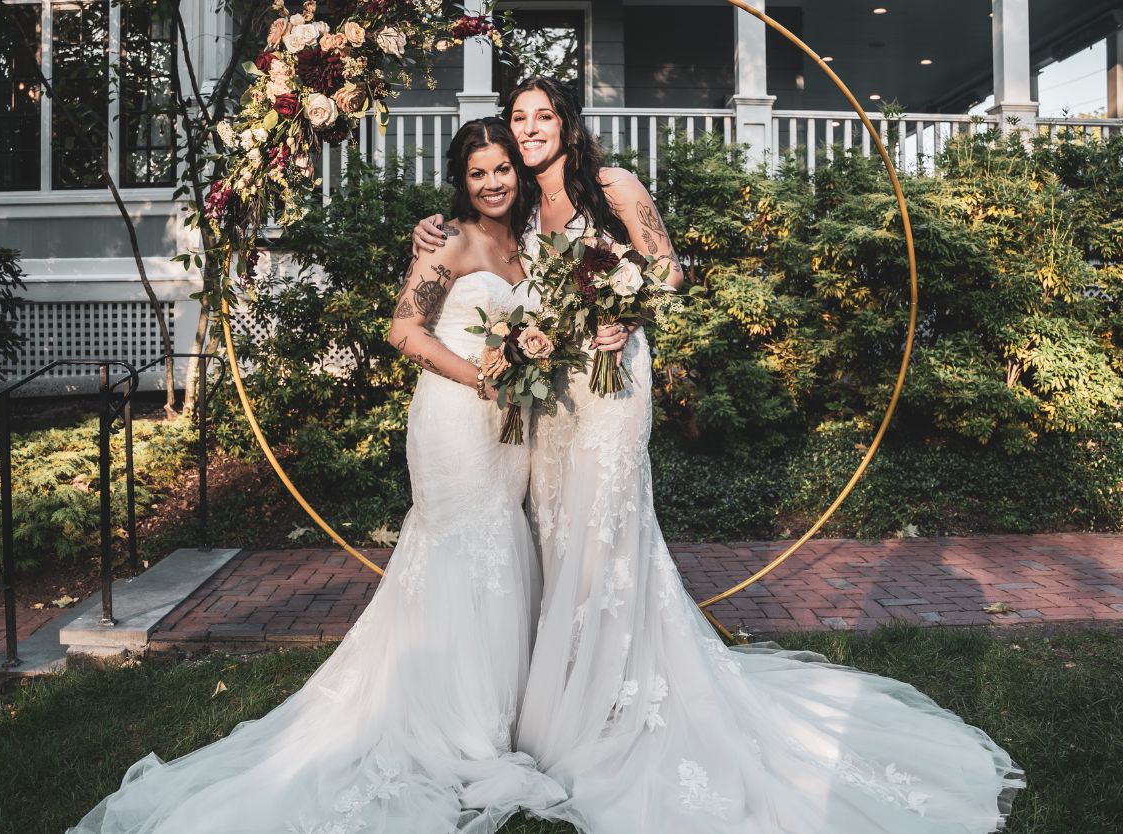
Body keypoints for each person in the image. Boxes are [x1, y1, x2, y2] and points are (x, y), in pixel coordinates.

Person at [414, 78, 1023, 833]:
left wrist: (624, 315)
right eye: (519, 118)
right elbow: (479, 255)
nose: (530, 129)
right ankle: (565, 692)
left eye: (543, 116)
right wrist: (429, 232)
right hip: (552, 400)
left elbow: (669, 269)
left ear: (568, 124)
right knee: (556, 537)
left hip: (611, 389)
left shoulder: (613, 185)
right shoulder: (519, 211)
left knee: (606, 536)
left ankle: (614, 701)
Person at [66, 117, 564, 834]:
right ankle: (458, 726)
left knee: (501, 549)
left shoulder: (525, 244)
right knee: (462, 554)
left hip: (507, 433)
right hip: (457, 422)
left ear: (518, 172)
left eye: (501, 170)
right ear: (460, 180)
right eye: (477, 172)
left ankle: (499, 711)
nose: (491, 183)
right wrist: (482, 381)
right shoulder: (447, 241)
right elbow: (404, 332)